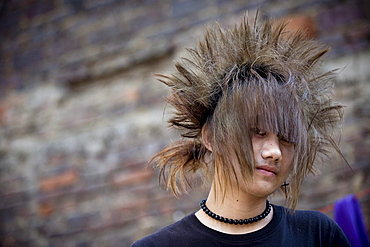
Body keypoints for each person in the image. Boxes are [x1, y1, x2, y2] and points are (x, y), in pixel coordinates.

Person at [132, 13, 351, 247]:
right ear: (211, 137)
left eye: (287, 139)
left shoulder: (317, 234)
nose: (274, 151)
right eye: (258, 132)